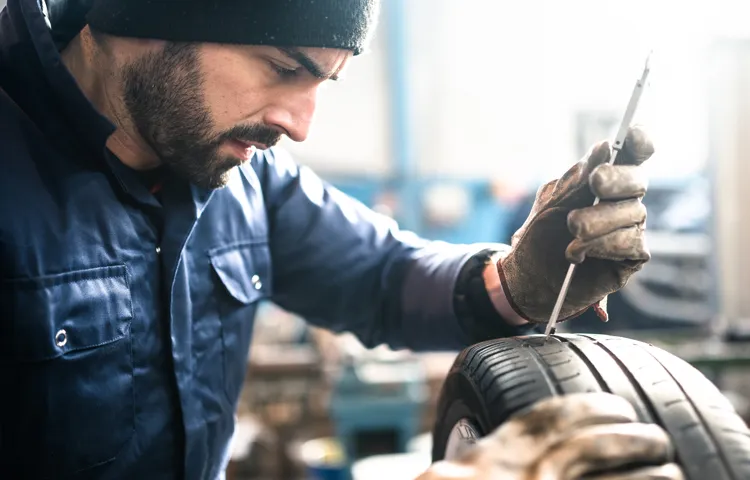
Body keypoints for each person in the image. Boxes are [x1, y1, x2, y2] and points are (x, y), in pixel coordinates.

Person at [0, 0, 674, 478]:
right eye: (282, 66)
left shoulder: (244, 179)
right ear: (146, 17)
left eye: (324, 82)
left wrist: (517, 280)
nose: (300, 126)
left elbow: (380, 276)